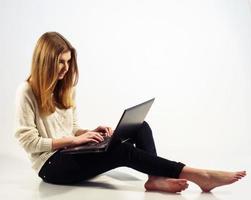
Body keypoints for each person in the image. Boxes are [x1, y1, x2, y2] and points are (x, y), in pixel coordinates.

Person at [14, 32, 246, 193]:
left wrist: (89, 132)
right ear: (45, 62)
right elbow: (29, 142)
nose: (66, 68)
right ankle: (197, 175)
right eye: (60, 63)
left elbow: (71, 129)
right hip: (52, 167)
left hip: (71, 153)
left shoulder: (64, 87)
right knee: (121, 150)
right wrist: (75, 140)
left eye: (68, 62)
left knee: (139, 127)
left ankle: (155, 178)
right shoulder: (27, 91)